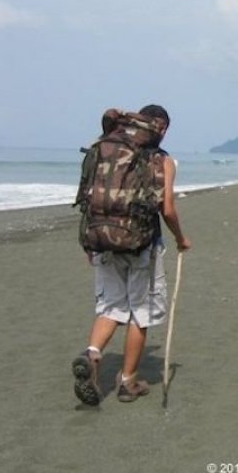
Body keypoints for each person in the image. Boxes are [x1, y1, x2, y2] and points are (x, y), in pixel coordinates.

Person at [72, 104, 191, 406]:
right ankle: (128, 381)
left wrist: (90, 242)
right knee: (141, 311)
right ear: (161, 128)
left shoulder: (104, 148)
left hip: (101, 237)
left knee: (110, 306)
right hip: (142, 245)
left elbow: (88, 196)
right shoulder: (161, 160)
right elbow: (167, 209)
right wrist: (181, 238)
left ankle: (92, 354)